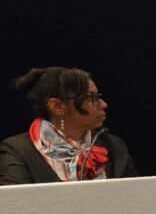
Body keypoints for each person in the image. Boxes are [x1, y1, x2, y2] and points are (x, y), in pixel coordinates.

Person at [0, 67, 137, 186]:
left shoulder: (113, 145)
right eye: (90, 98)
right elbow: (18, 207)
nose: (103, 104)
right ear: (57, 106)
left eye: (98, 96)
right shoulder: (18, 151)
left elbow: (136, 198)